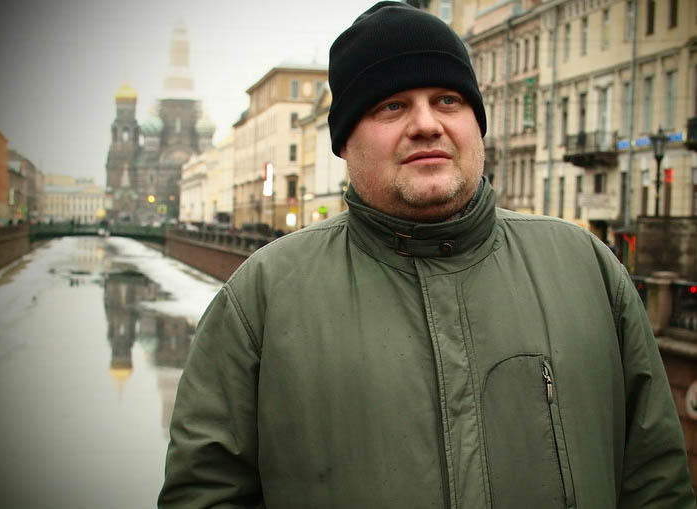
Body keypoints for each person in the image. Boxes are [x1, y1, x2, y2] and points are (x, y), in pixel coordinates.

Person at [159, 2, 695, 507]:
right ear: (345, 141)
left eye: (448, 100)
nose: (426, 123)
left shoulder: (588, 269)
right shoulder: (260, 300)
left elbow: (657, 482)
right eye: (392, 105)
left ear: (475, 123)